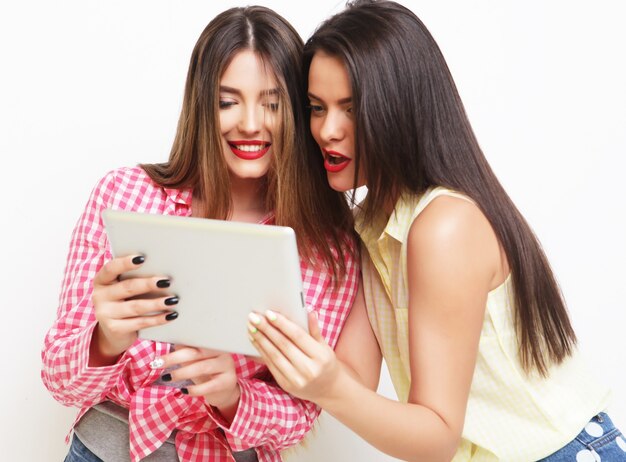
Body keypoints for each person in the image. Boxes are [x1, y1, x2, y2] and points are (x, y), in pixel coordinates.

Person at [247, 1, 626, 461]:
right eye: (316, 108)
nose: (327, 130)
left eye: (352, 108)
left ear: (400, 108)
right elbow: (354, 378)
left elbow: (436, 436)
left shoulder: (443, 226)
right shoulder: (371, 228)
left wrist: (327, 384)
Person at [41, 6, 359, 462]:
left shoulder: (327, 248)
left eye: (271, 103)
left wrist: (232, 395)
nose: (249, 123)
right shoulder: (125, 194)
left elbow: (304, 411)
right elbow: (58, 378)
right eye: (228, 101)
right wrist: (106, 339)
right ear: (201, 105)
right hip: (107, 448)